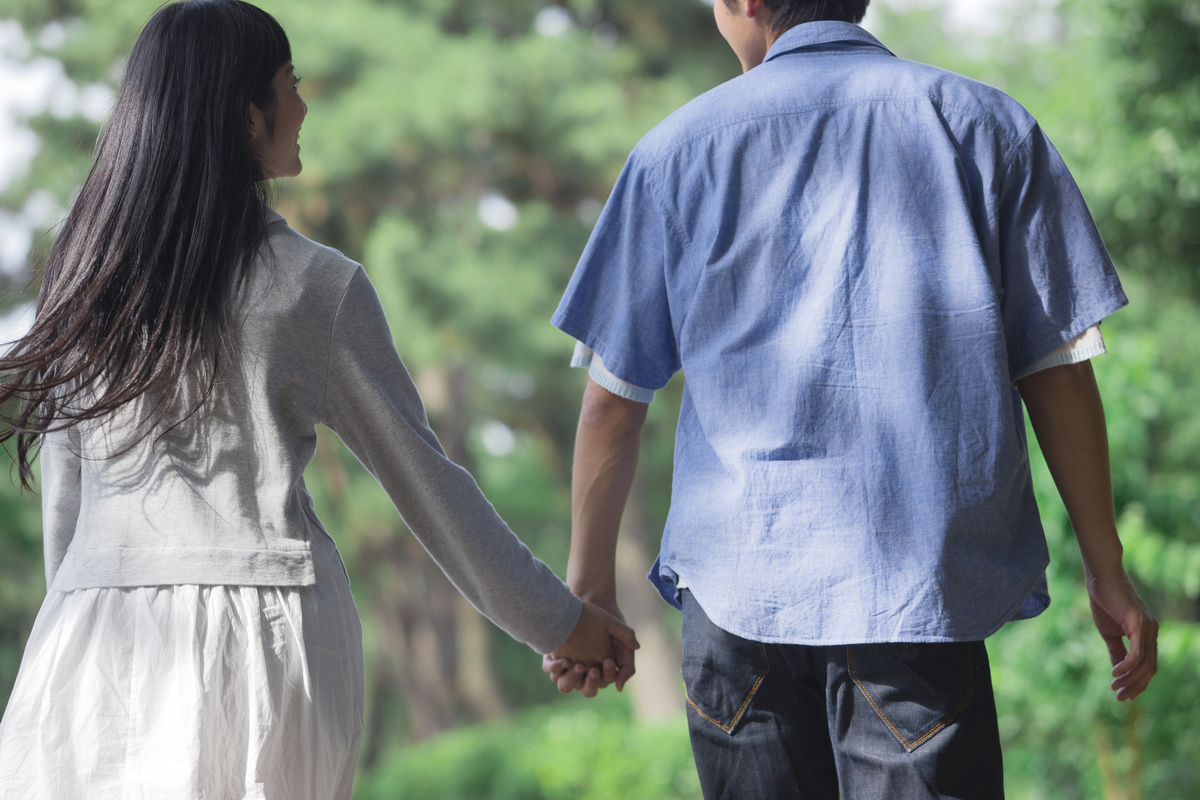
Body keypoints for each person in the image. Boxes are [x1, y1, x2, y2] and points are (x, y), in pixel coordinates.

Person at [0, 2, 634, 798]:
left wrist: (75, 607)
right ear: (245, 114)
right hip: (261, 642)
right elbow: (430, 488)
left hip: (91, 636)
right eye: (288, 84)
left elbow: (68, 501)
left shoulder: (82, 278)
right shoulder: (313, 286)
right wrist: (565, 622)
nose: (302, 106)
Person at [544, 0, 1158, 796]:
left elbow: (610, 407)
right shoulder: (984, 126)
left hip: (736, 603)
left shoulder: (673, 154)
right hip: (913, 605)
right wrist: (1106, 570)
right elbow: (1059, 371)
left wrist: (587, 594)